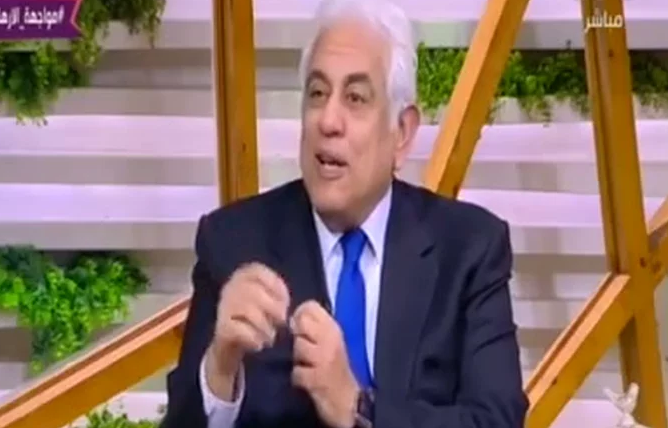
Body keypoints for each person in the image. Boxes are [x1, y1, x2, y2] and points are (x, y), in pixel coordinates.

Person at [162, 0, 528, 426]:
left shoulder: (468, 249)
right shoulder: (233, 243)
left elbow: (498, 420)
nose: (328, 120)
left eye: (355, 98)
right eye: (317, 94)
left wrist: (357, 406)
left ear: (402, 133)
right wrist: (220, 370)